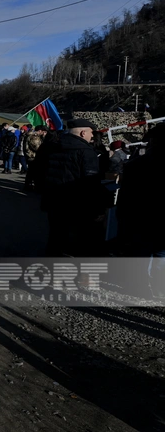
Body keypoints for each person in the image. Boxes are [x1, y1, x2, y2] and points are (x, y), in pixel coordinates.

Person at [35, 119, 107, 257]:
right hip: (77, 203)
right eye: (91, 133)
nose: (92, 136)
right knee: (79, 239)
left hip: (53, 201)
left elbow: (38, 172)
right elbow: (91, 183)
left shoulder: (48, 146)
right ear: (82, 132)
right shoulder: (86, 151)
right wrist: (98, 208)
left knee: (56, 235)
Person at [117, 124, 165, 298]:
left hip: (140, 218)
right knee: (161, 256)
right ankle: (160, 290)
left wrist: (121, 217)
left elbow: (126, 195)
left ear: (152, 141)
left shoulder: (136, 165)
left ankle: (139, 288)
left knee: (141, 254)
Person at [22, 125, 47, 190]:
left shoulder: (31, 135)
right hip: (33, 156)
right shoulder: (34, 137)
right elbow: (37, 148)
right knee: (33, 172)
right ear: (40, 131)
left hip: (30, 155)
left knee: (31, 172)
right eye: (43, 132)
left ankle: (29, 185)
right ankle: (31, 186)